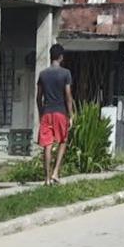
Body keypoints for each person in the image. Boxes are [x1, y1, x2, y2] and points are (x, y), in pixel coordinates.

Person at [36, 44, 74, 185]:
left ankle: (46, 179)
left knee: (47, 145)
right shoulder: (66, 73)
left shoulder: (43, 74)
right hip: (60, 112)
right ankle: (55, 172)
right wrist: (71, 115)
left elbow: (38, 97)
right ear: (61, 57)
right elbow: (68, 96)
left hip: (46, 112)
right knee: (62, 142)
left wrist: (41, 113)